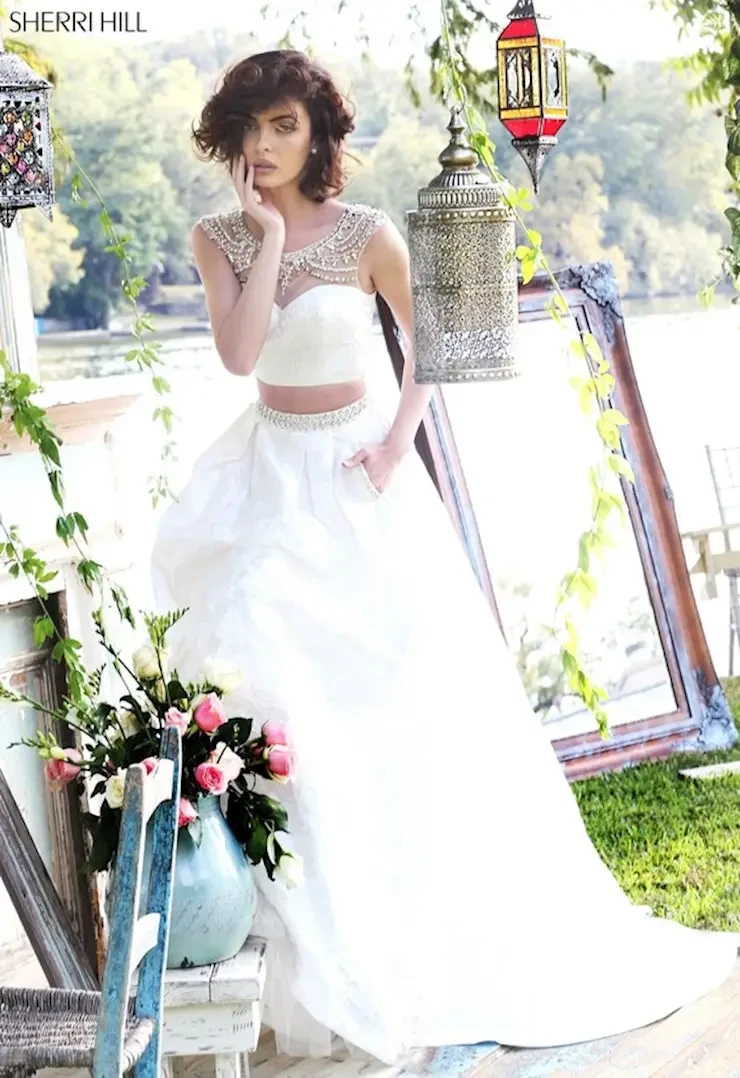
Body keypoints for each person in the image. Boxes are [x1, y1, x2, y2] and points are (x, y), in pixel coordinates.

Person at [150, 48, 738, 1065]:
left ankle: (432, 928)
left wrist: (393, 439)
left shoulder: (368, 232)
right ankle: (307, 958)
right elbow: (241, 357)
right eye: (250, 127)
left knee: (411, 705)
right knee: (273, 699)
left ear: (316, 132)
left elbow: (431, 336)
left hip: (359, 479)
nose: (265, 143)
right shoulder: (221, 237)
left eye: (283, 124)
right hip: (267, 489)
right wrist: (259, 238)